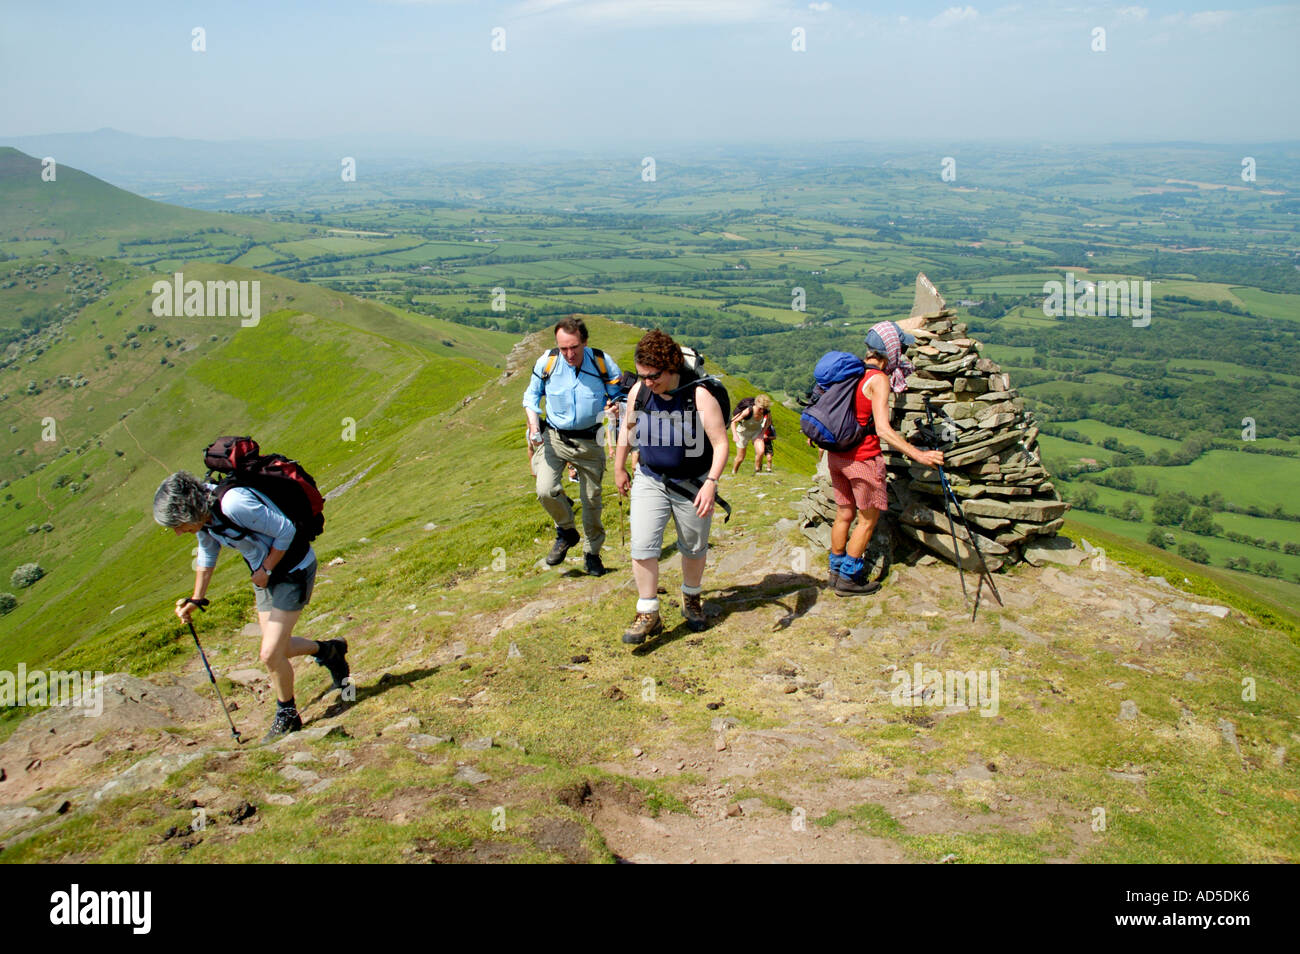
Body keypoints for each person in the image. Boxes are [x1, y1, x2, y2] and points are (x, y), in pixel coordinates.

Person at [153, 471, 349, 741]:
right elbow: (208, 552)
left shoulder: (233, 504)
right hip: (265, 576)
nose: (177, 532)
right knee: (278, 648)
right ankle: (330, 651)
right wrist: (196, 600)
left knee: (270, 654)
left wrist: (267, 569)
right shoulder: (205, 517)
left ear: (188, 510)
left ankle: (287, 714)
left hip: (293, 569)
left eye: (177, 524)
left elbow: (286, 530)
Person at [614, 330, 729, 644]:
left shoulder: (699, 395)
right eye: (641, 375)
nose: (646, 382)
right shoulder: (642, 390)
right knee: (642, 545)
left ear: (671, 368)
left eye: (652, 376)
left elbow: (720, 444)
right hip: (650, 478)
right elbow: (628, 428)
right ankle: (648, 611)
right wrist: (619, 467)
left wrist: (711, 483)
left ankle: (691, 599)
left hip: (692, 484)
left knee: (693, 547)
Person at [828, 320, 945, 596]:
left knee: (844, 513)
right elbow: (882, 429)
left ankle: (834, 572)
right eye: (900, 347)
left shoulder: (851, 371)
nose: (902, 352)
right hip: (863, 459)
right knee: (867, 519)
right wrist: (919, 455)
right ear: (891, 350)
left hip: (837, 457)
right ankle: (849, 579)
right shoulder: (877, 379)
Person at [523, 317, 623, 576]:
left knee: (592, 501)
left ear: (585, 342)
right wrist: (534, 425)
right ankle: (566, 530)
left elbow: (621, 397)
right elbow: (531, 396)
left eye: (574, 347)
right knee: (545, 489)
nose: (569, 354)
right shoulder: (548, 362)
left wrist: (616, 408)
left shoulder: (602, 362)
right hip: (554, 438)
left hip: (591, 441)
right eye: (563, 347)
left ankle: (592, 554)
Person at [730, 395, 771, 475]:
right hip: (743, 433)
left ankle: (757, 471)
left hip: (756, 431)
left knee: (761, 451)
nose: (762, 411)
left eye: (764, 409)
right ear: (757, 405)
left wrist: (762, 433)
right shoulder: (748, 411)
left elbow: (768, 422)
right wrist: (735, 435)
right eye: (760, 408)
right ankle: (734, 472)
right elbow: (733, 422)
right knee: (740, 458)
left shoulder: (766, 411)